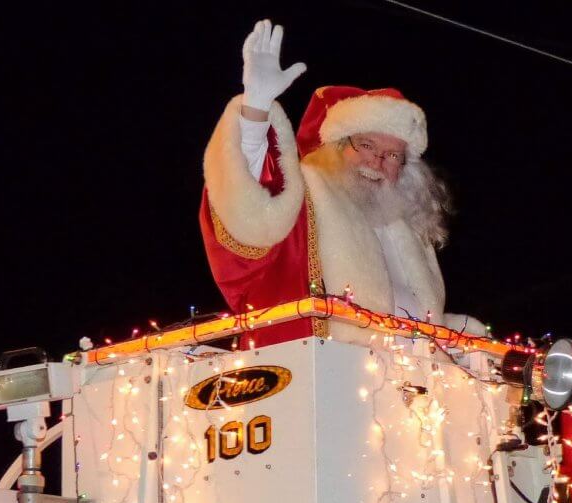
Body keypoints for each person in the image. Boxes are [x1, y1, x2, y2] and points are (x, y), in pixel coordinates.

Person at [200, 19, 485, 347]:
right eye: (366, 145)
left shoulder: (408, 234)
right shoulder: (307, 202)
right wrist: (255, 110)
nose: (377, 161)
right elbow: (250, 214)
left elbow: (412, 325)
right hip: (318, 380)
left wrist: (460, 346)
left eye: (393, 155)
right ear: (335, 148)